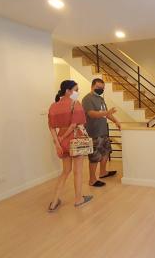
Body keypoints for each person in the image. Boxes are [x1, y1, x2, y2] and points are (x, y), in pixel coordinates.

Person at [47, 80, 93, 212]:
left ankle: (54, 202)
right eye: (76, 90)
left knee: (65, 171)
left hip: (63, 143)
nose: (77, 93)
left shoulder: (53, 106)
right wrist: (63, 137)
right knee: (78, 172)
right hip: (75, 140)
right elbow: (74, 125)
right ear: (68, 91)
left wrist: (58, 142)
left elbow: (51, 127)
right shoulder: (75, 104)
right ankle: (79, 199)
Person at [82, 78, 121, 187]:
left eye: (102, 88)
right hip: (94, 132)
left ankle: (103, 173)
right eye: (98, 88)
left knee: (106, 152)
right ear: (92, 86)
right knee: (95, 157)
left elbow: (107, 114)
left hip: (103, 131)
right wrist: (106, 112)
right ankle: (92, 180)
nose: (100, 90)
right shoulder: (87, 99)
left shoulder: (100, 99)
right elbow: (91, 114)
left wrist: (117, 122)